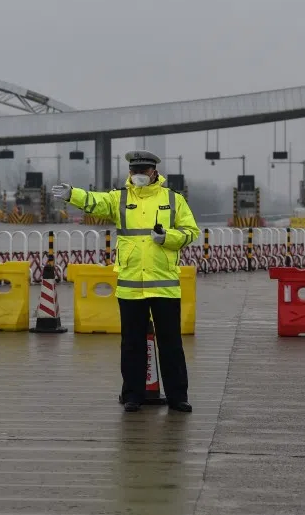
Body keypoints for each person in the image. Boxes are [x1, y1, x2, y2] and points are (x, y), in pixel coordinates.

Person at [51, 150, 200, 413]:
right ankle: (133, 395)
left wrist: (167, 237)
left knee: (171, 344)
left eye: (145, 170)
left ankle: (178, 397)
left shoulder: (173, 200)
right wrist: (71, 194)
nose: (140, 175)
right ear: (130, 172)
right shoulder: (118, 199)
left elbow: (191, 232)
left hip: (164, 284)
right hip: (131, 286)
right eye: (135, 171)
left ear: (154, 172)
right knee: (132, 343)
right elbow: (93, 201)